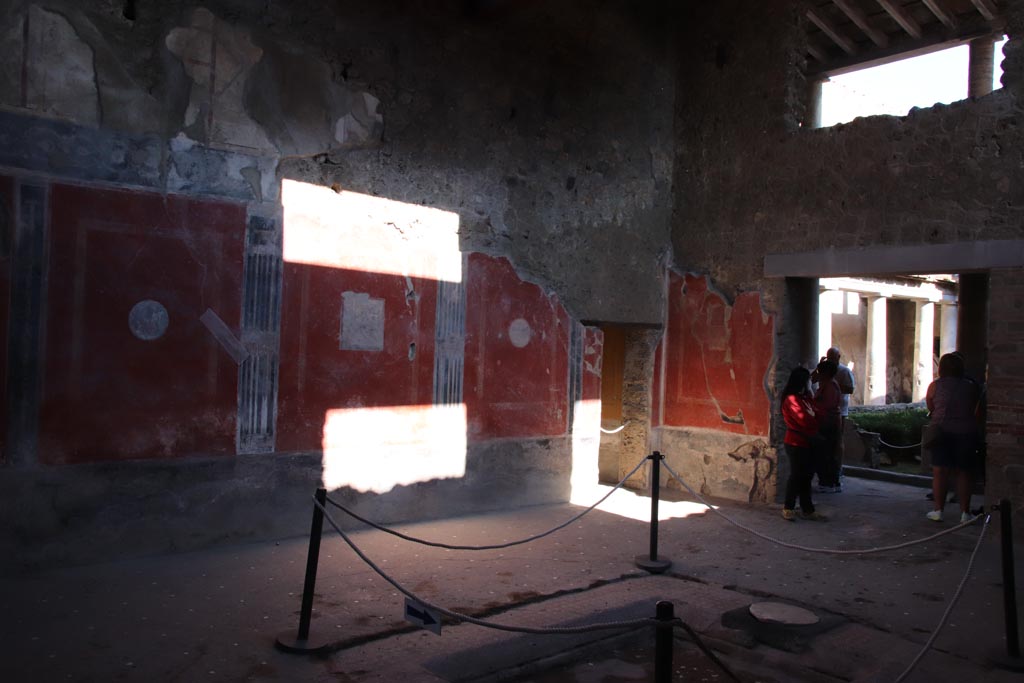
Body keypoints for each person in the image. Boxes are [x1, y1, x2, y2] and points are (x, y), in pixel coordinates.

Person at [924, 353, 981, 523]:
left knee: (939, 472)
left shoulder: (935, 386)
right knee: (964, 473)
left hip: (941, 432)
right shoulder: (970, 386)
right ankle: (965, 512)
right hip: (965, 432)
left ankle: (938, 510)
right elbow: (975, 408)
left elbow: (930, 406)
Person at [780, 366, 827, 521]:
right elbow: (805, 421)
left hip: (808, 442)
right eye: (808, 380)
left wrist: (814, 415)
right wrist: (813, 416)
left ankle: (807, 509)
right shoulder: (791, 399)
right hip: (796, 442)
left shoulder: (806, 398)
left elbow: (819, 414)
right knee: (796, 476)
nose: (810, 382)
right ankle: (789, 507)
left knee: (807, 476)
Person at [812, 358, 842, 492]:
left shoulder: (830, 386)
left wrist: (814, 405)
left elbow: (828, 405)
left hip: (828, 423)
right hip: (827, 421)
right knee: (826, 453)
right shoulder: (826, 384)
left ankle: (828, 482)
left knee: (826, 453)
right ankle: (830, 481)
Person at [827, 347, 855, 487]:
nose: (830, 359)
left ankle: (838, 467)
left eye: (833, 357)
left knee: (838, 440)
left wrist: (834, 386)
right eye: (828, 357)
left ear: (838, 357)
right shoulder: (824, 370)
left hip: (840, 411)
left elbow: (850, 389)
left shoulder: (845, 371)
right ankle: (828, 468)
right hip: (826, 411)